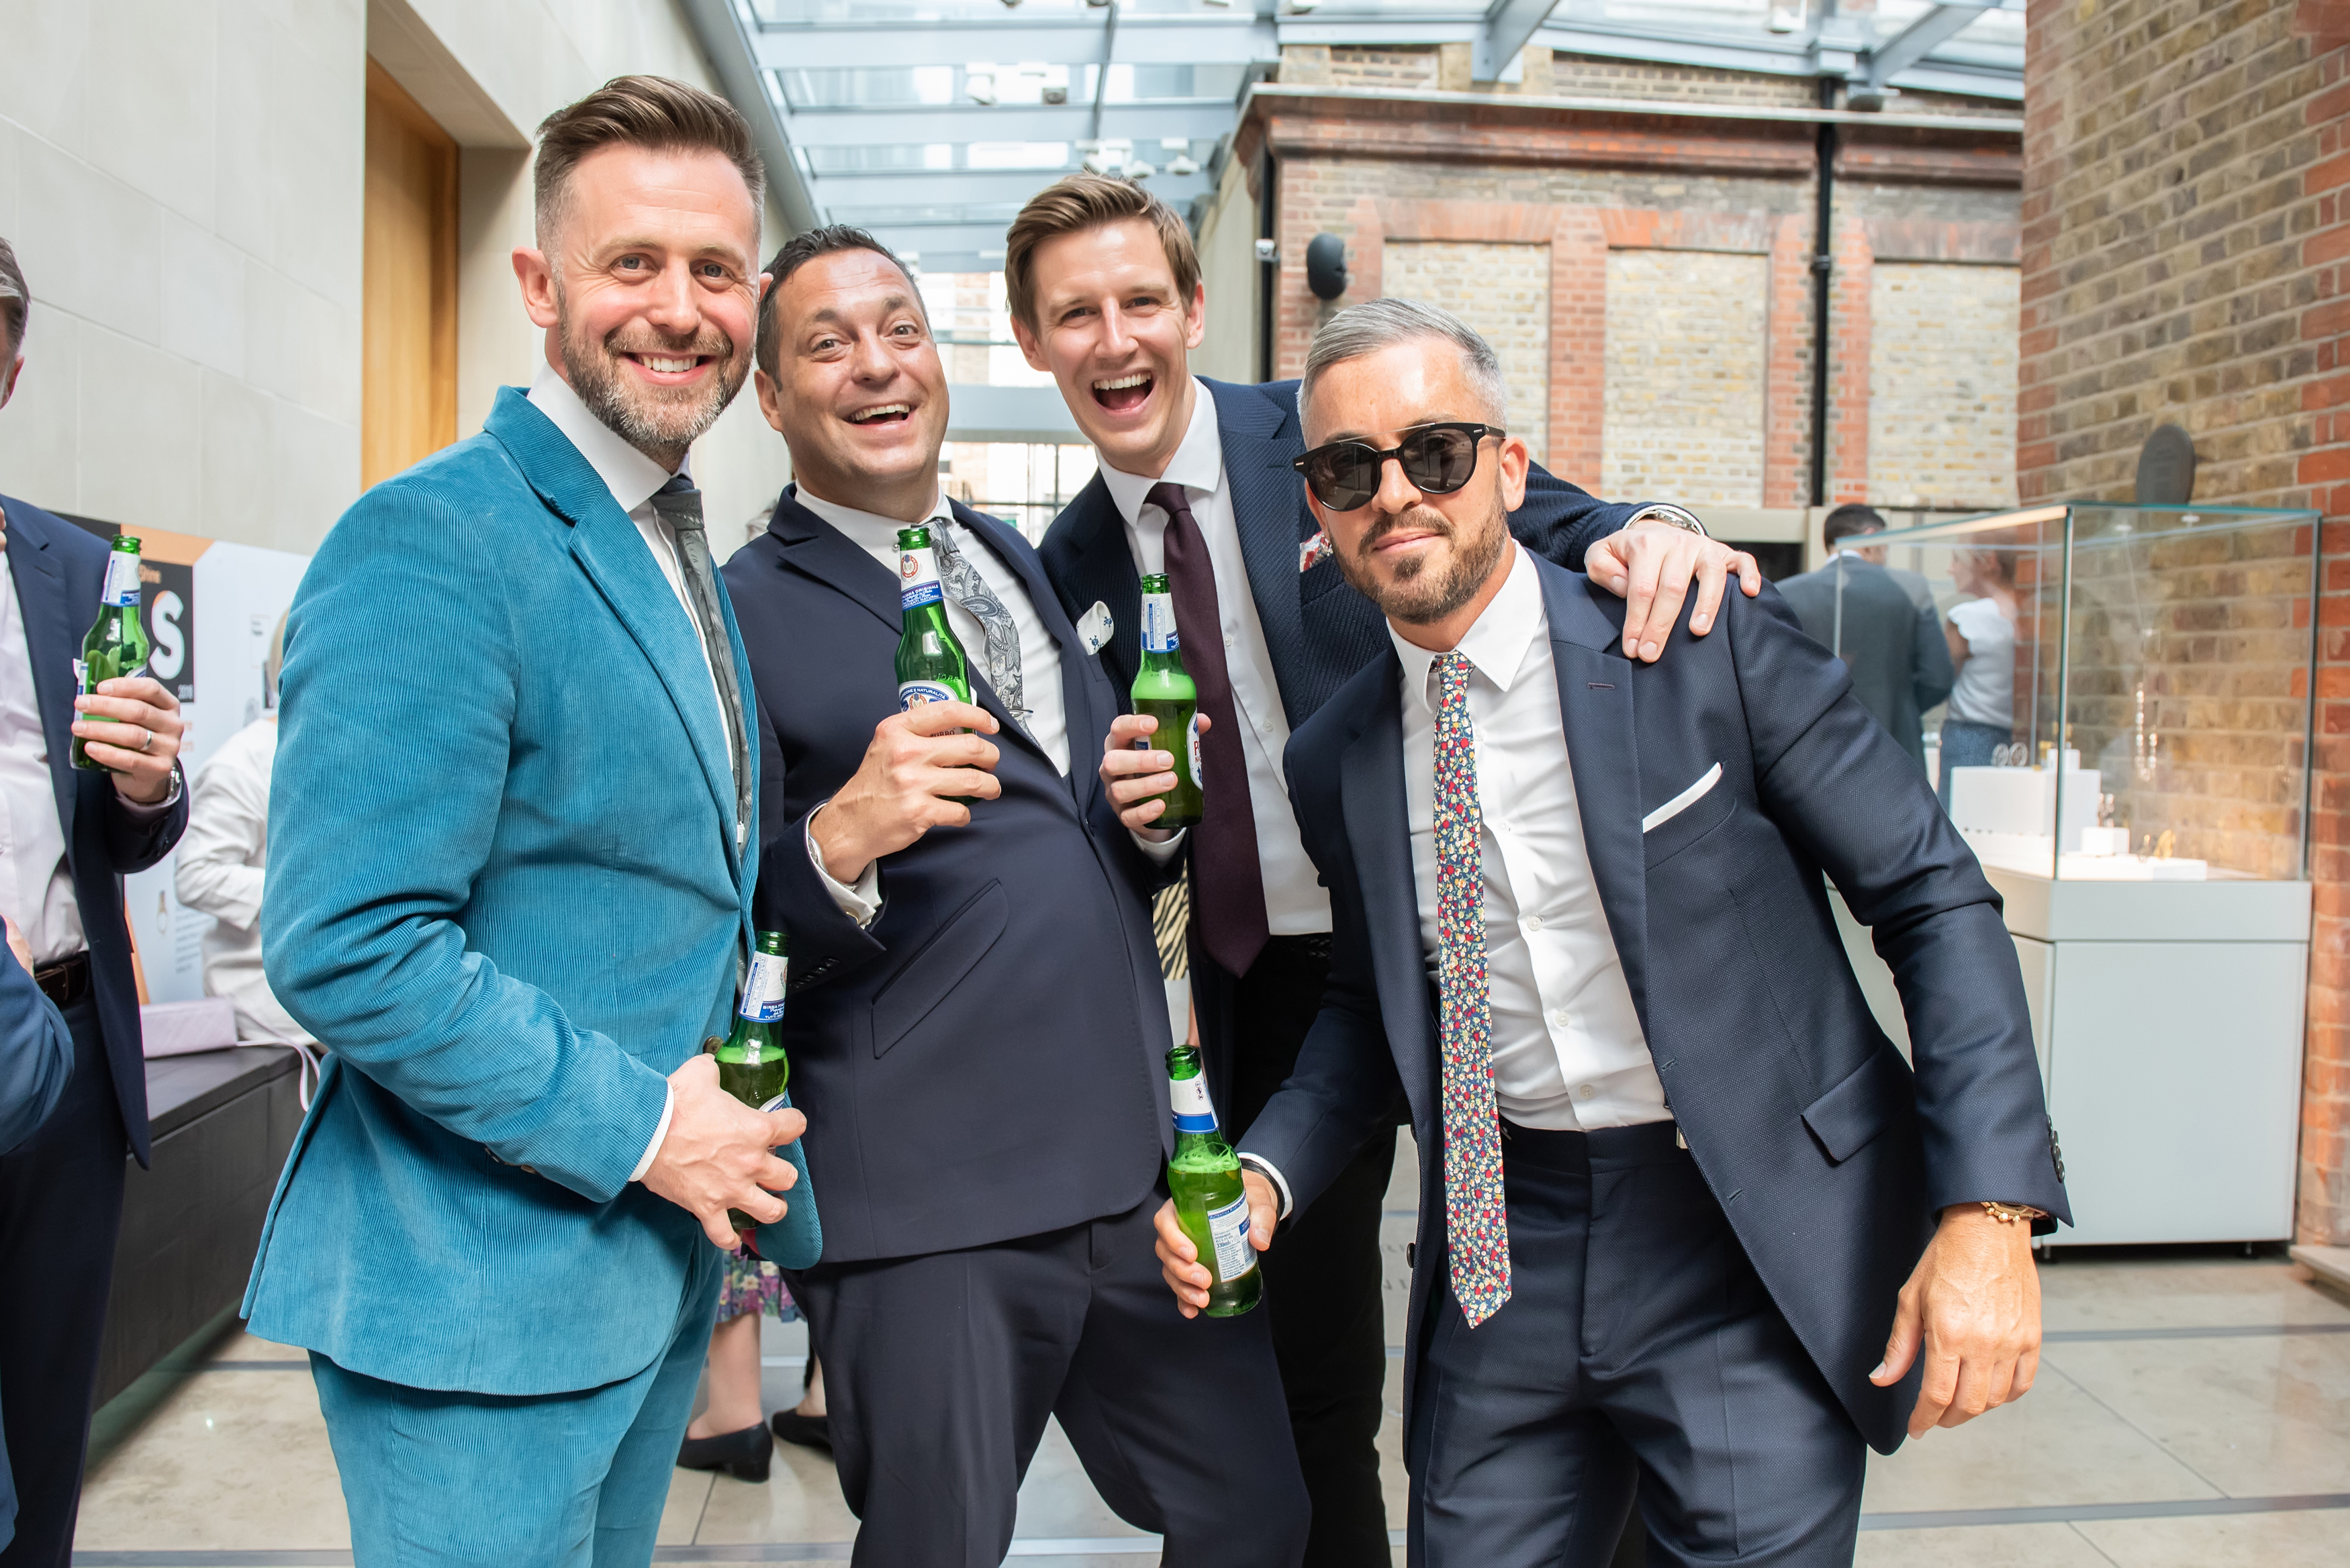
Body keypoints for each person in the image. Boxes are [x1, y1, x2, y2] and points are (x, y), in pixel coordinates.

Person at [1157, 299, 2071, 1566]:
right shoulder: (1340, 759)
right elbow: (1373, 1014)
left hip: (1738, 1236)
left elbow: (1931, 894)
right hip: (1498, 1253)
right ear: (1315, 507)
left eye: (1435, 453)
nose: (1394, 497)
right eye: (1346, 471)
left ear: (1512, 470)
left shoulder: (1695, 639)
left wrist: (1989, 1211)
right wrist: (1265, 1178)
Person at [1017, 174, 1760, 1563]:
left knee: (1545, 1289)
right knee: (1314, 1361)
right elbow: (1124, 836)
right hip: (1281, 991)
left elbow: (1514, 498)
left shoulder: (1310, 434)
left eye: (1137, 301)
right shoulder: (1066, 566)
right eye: (1074, 314)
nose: (1112, 340)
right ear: (1033, 341)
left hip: (1465, 931)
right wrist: (1146, 820)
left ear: (1189, 309)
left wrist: (1643, 522)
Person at [242, 78, 813, 1567]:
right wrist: (645, 1129)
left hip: (637, 1270)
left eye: (713, 270)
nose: (678, 309)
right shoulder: (436, 532)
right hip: (474, 1297)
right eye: (632, 264)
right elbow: (349, 942)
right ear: (538, 283)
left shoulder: (673, 531)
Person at [719, 224, 1308, 1568]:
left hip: (1134, 1174)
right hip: (931, 1201)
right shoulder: (740, 610)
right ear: (769, 395)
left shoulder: (1013, 554)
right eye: (827, 343)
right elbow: (707, 902)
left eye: (901, 331)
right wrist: (838, 838)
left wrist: (1151, 818)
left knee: (1257, 1509)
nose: (876, 366)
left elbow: (1073, 844)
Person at [0, 234, 192, 1568]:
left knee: (44, 1409)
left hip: (66, 1047)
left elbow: (131, 831)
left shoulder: (72, 566)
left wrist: (143, 788)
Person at [175, 613, 312, 1049]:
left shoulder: (335, 750)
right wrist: (312, 892)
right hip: (262, 992)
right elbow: (197, 875)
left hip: (321, 970)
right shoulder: (242, 762)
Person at [1775, 504, 1955, 771]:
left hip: (1810, 754)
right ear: (1871, 539)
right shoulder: (1911, 589)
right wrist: (1899, 706)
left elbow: (1777, 680)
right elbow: (1937, 678)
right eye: (1885, 548)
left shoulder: (1785, 593)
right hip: (1894, 746)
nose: (1885, 558)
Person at [1940, 546, 2020, 803]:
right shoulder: (2028, 615)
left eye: (1957, 559)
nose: (1951, 568)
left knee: (1958, 825)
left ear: (1989, 563)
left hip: (1968, 737)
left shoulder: (1969, 617)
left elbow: (1938, 678)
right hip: (2017, 740)